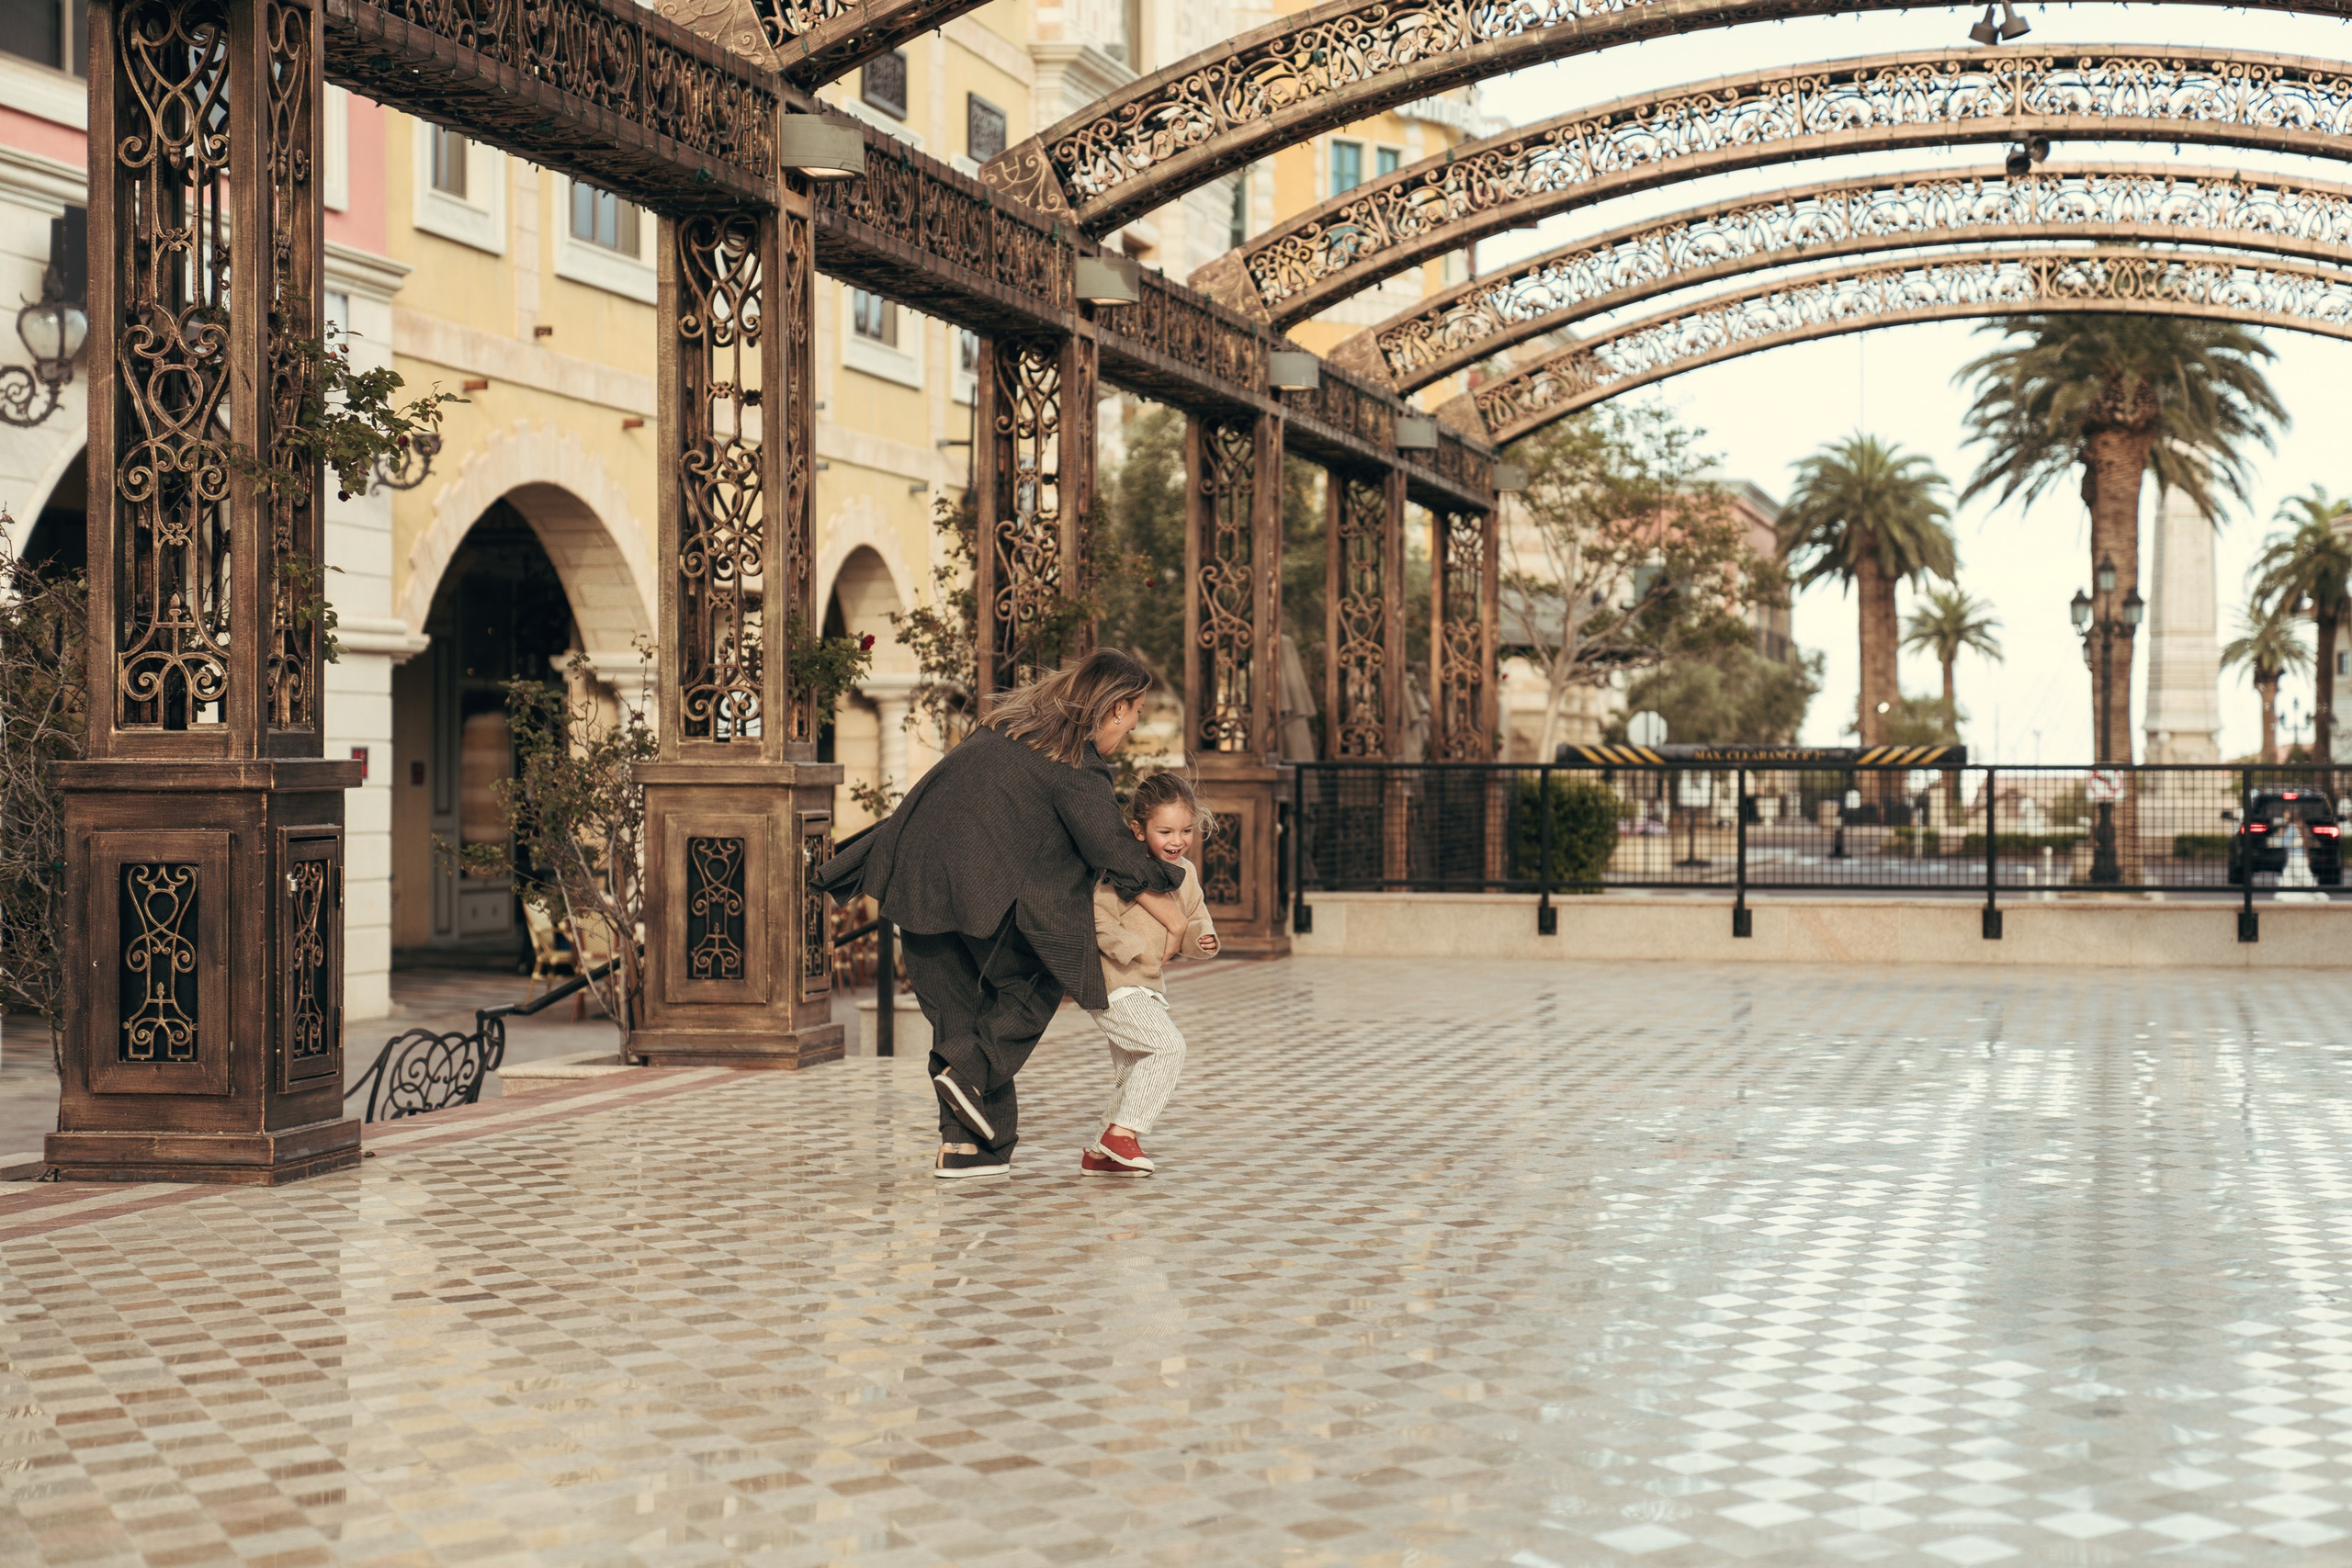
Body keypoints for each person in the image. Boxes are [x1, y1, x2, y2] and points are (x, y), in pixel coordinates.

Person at [813, 649, 1189, 1179]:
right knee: (1035, 980)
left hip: (910, 879)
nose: (1129, 729)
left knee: (960, 1016)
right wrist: (1175, 906)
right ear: (1116, 708)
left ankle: (967, 1151)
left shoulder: (1000, 732)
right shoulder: (1073, 763)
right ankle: (968, 1076)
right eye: (1135, 713)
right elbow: (1112, 849)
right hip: (968, 890)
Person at [1081, 771, 1218, 1178]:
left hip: (1148, 987)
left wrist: (1203, 939)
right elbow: (1095, 918)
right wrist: (1134, 948)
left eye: (1186, 830)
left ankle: (1100, 1154)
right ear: (1139, 830)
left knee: (1132, 1069)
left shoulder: (1186, 873)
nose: (1177, 841)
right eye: (1165, 831)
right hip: (1114, 983)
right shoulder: (1121, 869)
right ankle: (1122, 1134)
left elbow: (1195, 918)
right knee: (1167, 1048)